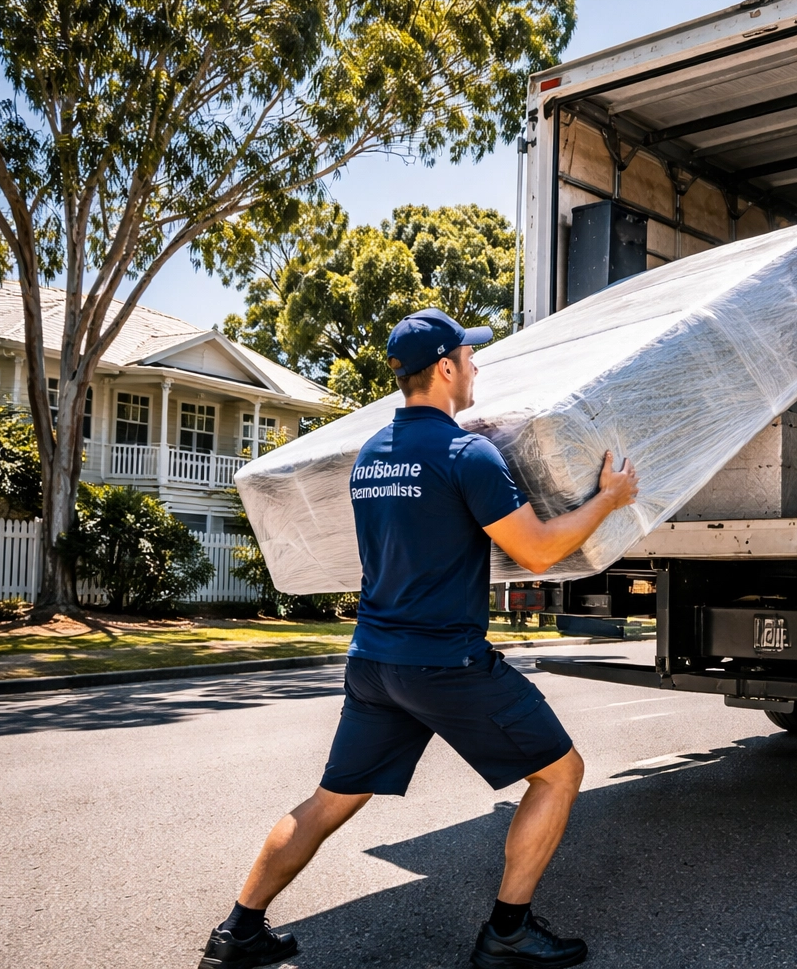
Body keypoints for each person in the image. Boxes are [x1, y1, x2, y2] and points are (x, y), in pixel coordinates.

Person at [199, 309, 639, 969]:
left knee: (330, 800)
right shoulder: (468, 453)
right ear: (444, 368)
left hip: (374, 661)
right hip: (445, 662)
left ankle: (237, 932)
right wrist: (610, 498)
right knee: (560, 774)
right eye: (469, 356)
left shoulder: (369, 456)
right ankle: (509, 934)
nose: (476, 366)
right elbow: (540, 551)